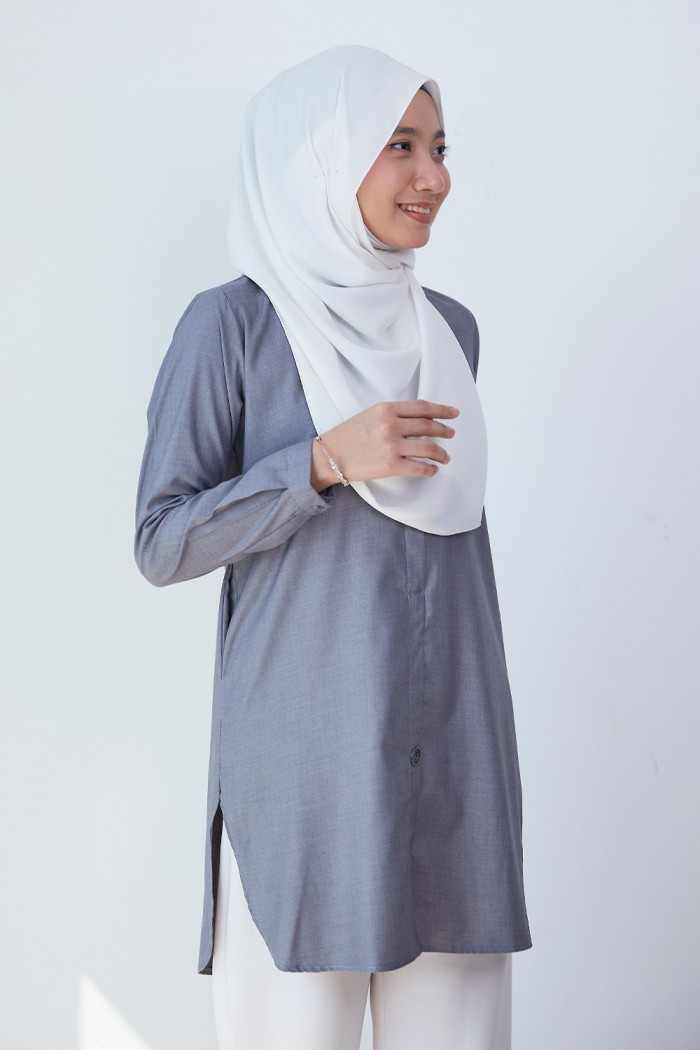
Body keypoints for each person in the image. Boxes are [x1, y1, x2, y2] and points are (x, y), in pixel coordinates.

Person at [134, 44, 531, 1050]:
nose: (433, 176)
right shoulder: (230, 327)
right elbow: (161, 538)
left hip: (455, 763)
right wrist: (316, 463)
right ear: (320, 155)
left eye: (440, 147)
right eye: (399, 145)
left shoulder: (451, 332)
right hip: (308, 783)